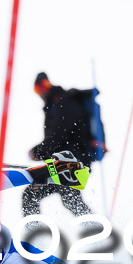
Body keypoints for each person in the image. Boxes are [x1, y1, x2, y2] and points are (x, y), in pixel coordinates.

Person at [24, 72, 95, 218]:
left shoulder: (65, 102)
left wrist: (40, 150)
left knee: (67, 197)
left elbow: (60, 133)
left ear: (49, 84)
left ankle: (99, 232)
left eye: (44, 85)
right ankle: (35, 236)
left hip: (72, 162)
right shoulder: (54, 106)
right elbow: (57, 137)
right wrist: (43, 152)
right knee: (32, 194)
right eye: (38, 89)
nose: (42, 91)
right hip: (63, 163)